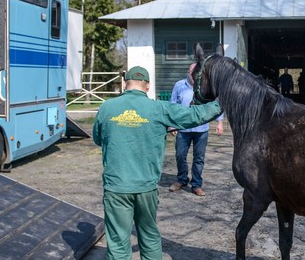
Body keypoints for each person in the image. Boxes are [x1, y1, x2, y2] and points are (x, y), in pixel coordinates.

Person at [92, 66, 222, 260]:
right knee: (149, 235)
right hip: (146, 187)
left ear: (125, 83)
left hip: (117, 186)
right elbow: (195, 115)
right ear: (147, 86)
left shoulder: (107, 108)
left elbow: (98, 138)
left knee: (118, 242)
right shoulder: (159, 108)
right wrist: (222, 102)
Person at [168, 63, 224, 197]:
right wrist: (172, 124)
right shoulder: (179, 85)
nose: (195, 76)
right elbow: (172, 105)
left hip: (201, 129)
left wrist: (220, 122)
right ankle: (182, 180)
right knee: (180, 155)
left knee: (199, 158)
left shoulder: (206, 86)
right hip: (183, 128)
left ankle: (196, 185)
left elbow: (215, 105)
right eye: (192, 73)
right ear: (188, 73)